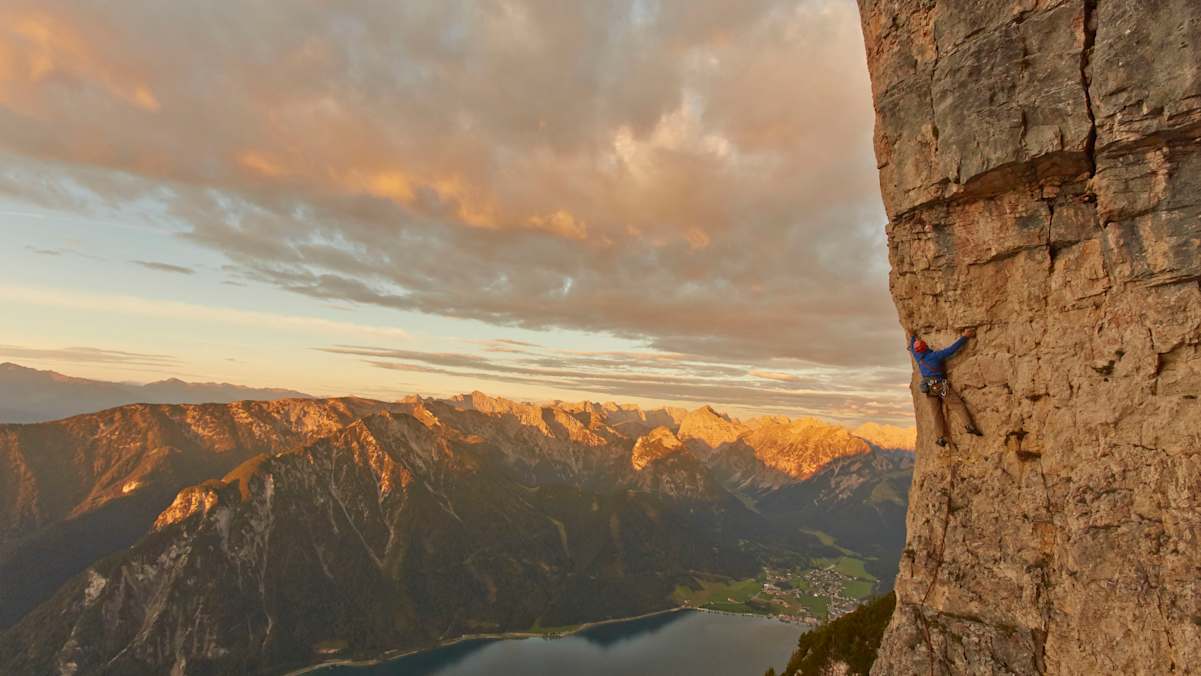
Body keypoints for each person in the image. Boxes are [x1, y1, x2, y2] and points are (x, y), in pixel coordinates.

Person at [907, 328, 982, 447]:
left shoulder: (918, 357)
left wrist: (912, 336)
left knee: (936, 413)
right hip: (940, 385)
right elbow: (952, 349)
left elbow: (912, 346)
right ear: (925, 347)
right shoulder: (935, 356)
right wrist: (965, 336)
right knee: (957, 404)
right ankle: (969, 425)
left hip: (929, 388)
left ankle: (940, 437)